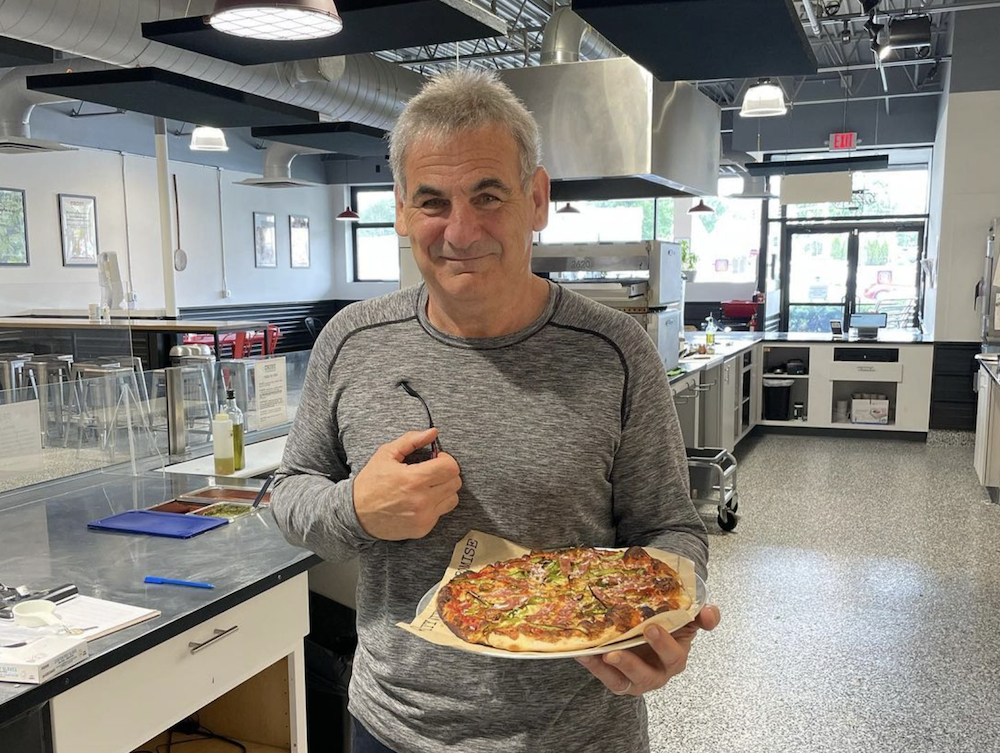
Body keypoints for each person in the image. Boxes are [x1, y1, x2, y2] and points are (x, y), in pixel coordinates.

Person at [271, 68, 719, 753]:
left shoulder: (615, 351)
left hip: (578, 734)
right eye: (432, 201)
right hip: (394, 728)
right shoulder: (350, 341)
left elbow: (668, 524)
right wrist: (356, 510)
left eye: (488, 195)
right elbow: (287, 492)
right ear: (399, 209)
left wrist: (668, 616)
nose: (460, 229)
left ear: (535, 198)